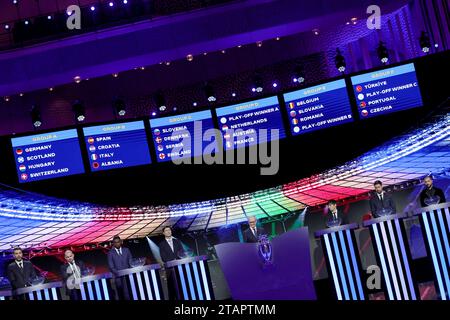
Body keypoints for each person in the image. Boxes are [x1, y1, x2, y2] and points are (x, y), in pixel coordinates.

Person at [158, 226, 185, 300]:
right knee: (171, 287)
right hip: (170, 269)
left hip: (179, 267)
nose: (168, 231)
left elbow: (182, 252)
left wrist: (178, 260)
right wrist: (173, 261)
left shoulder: (177, 241)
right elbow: (163, 257)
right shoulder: (161, 244)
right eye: (166, 230)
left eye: (169, 230)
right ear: (163, 233)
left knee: (182, 285)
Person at [107, 235, 133, 300]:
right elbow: (111, 266)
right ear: (113, 243)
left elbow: (131, 261)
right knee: (121, 295)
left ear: (121, 242)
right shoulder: (110, 253)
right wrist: (119, 273)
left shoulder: (126, 250)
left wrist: (128, 272)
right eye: (115, 242)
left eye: (118, 242)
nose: (117, 243)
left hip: (128, 276)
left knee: (131, 293)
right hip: (118, 278)